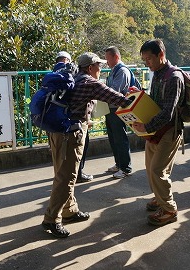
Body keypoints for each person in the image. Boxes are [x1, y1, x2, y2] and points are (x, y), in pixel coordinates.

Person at [42, 52, 132, 238]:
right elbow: (115, 98)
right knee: (66, 178)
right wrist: (135, 100)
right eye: (98, 66)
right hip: (70, 135)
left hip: (57, 131)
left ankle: (69, 210)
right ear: (90, 68)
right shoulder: (90, 82)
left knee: (62, 173)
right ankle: (52, 220)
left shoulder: (74, 77)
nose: (101, 69)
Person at [131, 39, 185, 226]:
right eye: (144, 60)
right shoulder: (158, 74)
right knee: (151, 168)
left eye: (149, 59)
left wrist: (146, 127)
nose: (147, 63)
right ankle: (159, 198)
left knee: (157, 170)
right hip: (154, 131)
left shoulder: (174, 77)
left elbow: (168, 112)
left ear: (161, 55)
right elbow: (155, 102)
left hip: (169, 130)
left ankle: (169, 209)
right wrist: (139, 95)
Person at [53, 51, 93, 183]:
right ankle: (77, 175)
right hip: (73, 125)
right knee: (73, 161)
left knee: (60, 162)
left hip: (55, 124)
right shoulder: (72, 76)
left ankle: (65, 183)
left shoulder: (53, 76)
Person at [104, 46, 133, 179]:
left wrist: (102, 90)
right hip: (110, 108)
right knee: (113, 138)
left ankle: (125, 167)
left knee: (120, 138)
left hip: (118, 109)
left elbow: (115, 90)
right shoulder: (114, 70)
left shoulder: (122, 71)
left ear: (116, 57)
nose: (106, 61)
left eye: (108, 58)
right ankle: (119, 164)